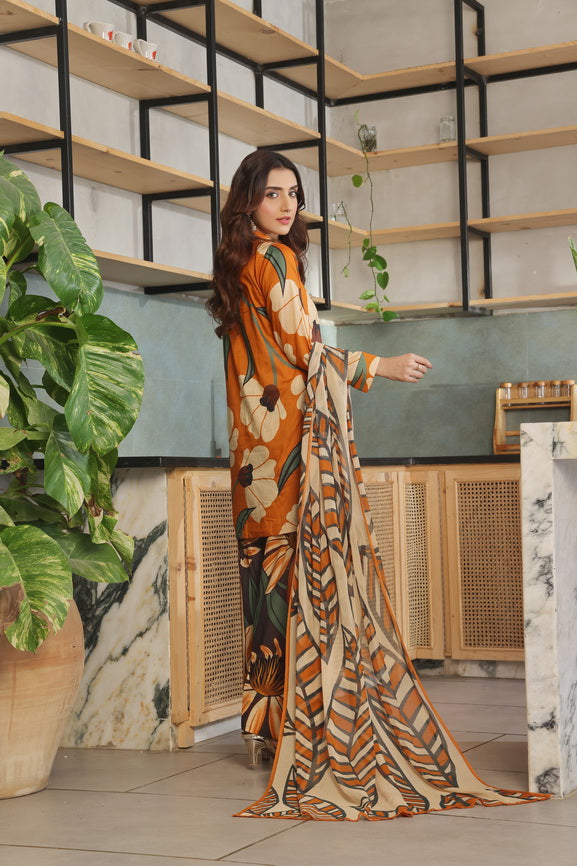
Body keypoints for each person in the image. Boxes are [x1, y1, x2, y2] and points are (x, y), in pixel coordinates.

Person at [207, 150, 549, 820]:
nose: (286, 205)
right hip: (291, 451)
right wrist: (378, 366)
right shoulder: (274, 260)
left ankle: (266, 728)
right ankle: (306, 728)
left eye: (294, 194)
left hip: (252, 456)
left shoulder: (236, 265)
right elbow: (305, 348)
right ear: (247, 200)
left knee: (267, 588)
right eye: (272, 193)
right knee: (304, 587)